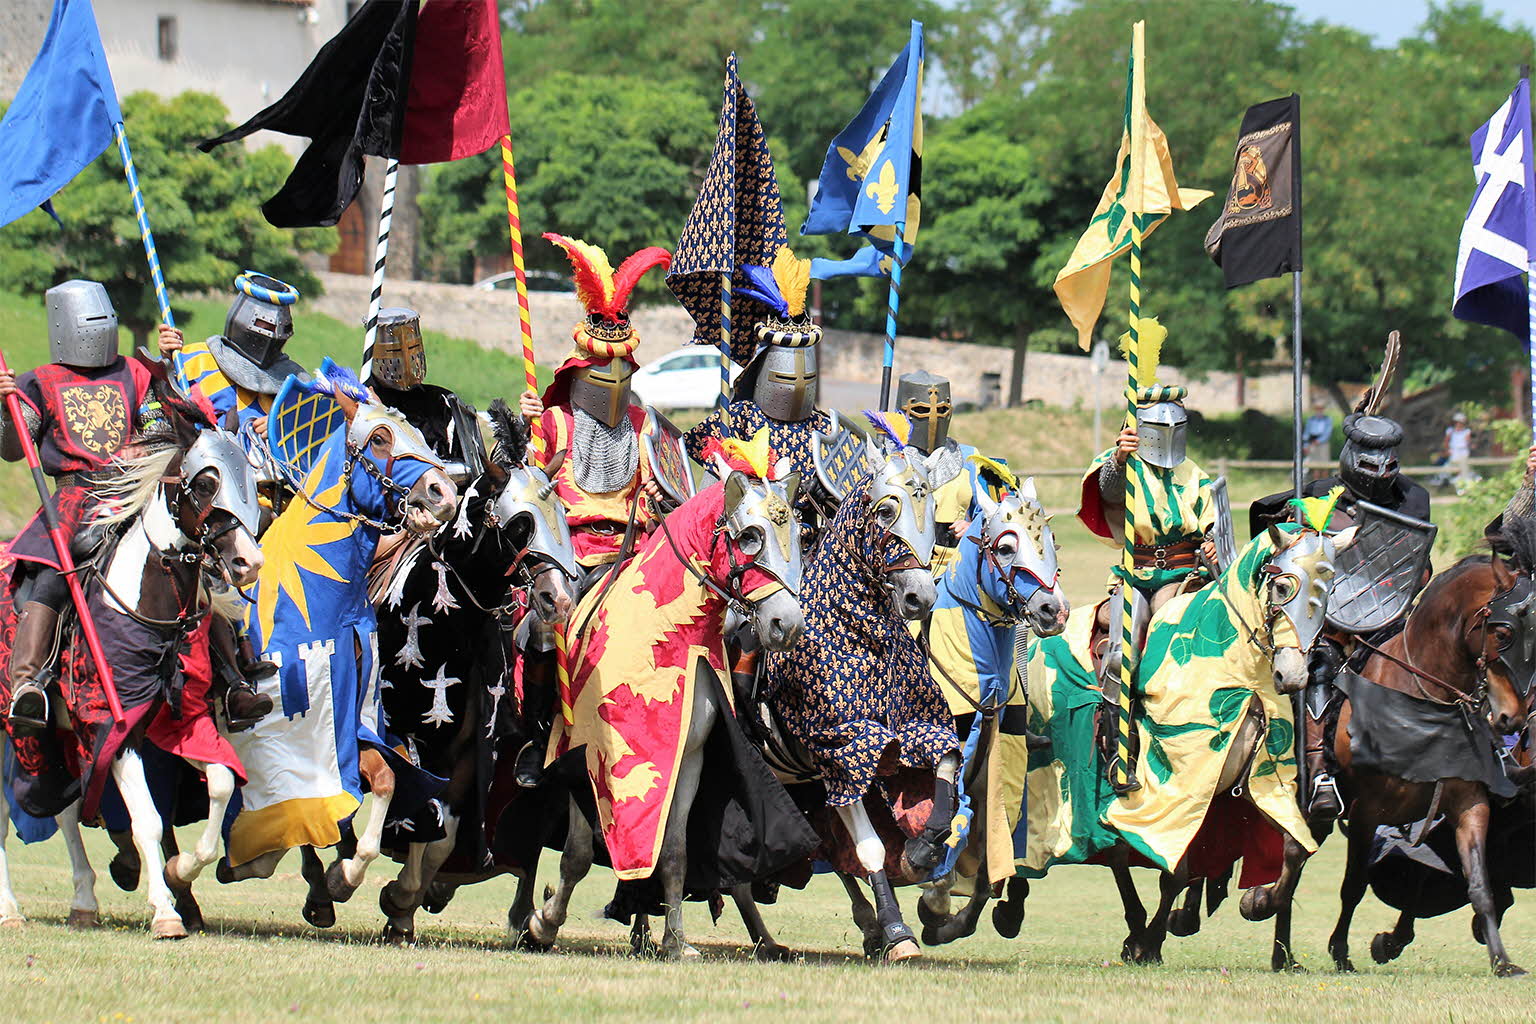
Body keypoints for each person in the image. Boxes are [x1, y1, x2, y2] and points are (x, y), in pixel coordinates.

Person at [513, 234, 671, 788]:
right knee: (539, 626)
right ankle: (536, 736)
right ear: (579, 375)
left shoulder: (645, 426)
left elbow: (664, 496)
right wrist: (522, 428)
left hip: (631, 560)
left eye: (622, 379)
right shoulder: (553, 424)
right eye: (601, 379)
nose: (612, 390)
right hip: (569, 559)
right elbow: (525, 487)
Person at [0, 281, 179, 731]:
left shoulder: (135, 374)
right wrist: (4, 410)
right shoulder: (38, 382)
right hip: (74, 500)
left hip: (133, 490)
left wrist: (167, 370)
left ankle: (234, 672)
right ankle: (28, 685)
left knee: (192, 556)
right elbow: (12, 448)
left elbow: (161, 431)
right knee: (52, 574)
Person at [1249, 409, 1431, 823]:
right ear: (1352, 456)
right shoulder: (1318, 495)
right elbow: (1297, 564)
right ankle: (1319, 772)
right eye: (1370, 461)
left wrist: (1416, 576)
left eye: (1388, 462)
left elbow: (1417, 561)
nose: (1380, 471)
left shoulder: (1414, 498)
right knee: (1318, 667)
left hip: (1389, 616)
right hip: (1329, 617)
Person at [1078, 320, 1216, 792]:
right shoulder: (1123, 462)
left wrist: (1214, 541)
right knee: (1121, 650)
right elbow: (1108, 493)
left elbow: (1214, 522)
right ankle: (1118, 745)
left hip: (1184, 574)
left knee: (1168, 628)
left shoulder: (1194, 474)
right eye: (1162, 427)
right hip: (1135, 573)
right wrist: (1119, 459)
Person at [683, 246, 830, 533]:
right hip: (748, 542)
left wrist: (826, 493)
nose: (796, 386)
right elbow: (708, 502)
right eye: (785, 377)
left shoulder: (824, 428)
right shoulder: (737, 419)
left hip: (809, 544)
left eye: (805, 376)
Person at [177, 271, 309, 437]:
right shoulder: (193, 360)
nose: (274, 331)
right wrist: (167, 360)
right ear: (243, 315)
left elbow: (317, 437)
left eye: (280, 325)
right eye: (265, 323)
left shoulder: (296, 385)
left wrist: (284, 426)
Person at [363, 307, 485, 474]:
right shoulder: (361, 402)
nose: (405, 358)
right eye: (394, 351)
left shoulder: (440, 400)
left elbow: (475, 470)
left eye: (412, 348)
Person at [1302, 396, 1333, 479]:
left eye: (1321, 408)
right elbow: (1307, 433)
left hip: (1323, 443)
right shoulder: (1311, 420)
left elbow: (1327, 433)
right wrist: (1306, 445)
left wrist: (1319, 441)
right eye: (1317, 408)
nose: (1319, 410)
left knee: (1324, 465)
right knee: (1315, 465)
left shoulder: (1327, 420)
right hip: (1312, 442)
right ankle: (1316, 483)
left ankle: (1325, 483)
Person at [1444, 410, 1475, 485]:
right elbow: (1446, 441)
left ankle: (1464, 480)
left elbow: (1468, 441)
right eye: (1457, 422)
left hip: (1463, 451)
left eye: (1460, 422)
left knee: (1464, 466)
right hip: (1453, 451)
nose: (1458, 424)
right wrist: (1447, 449)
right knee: (1451, 465)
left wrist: (1471, 445)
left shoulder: (1466, 431)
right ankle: (1447, 480)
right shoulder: (1450, 431)